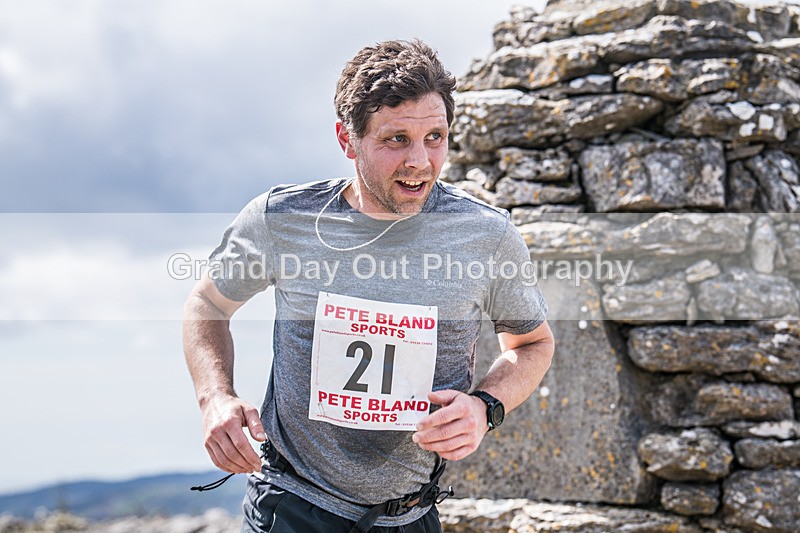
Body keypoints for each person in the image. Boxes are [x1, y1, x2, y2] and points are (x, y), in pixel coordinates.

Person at [183, 39, 554, 533]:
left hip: (411, 514)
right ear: (346, 140)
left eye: (435, 137)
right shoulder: (283, 219)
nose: (420, 161)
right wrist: (215, 398)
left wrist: (486, 407)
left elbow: (532, 344)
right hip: (293, 506)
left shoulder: (486, 235)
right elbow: (206, 303)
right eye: (396, 139)